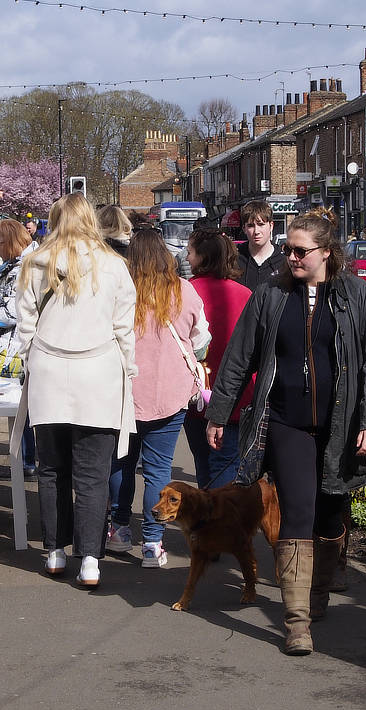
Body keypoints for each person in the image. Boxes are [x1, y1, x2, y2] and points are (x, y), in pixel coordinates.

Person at [205, 207, 366, 656]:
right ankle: (297, 622)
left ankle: (319, 592)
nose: (290, 257)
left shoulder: (356, 296)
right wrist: (219, 413)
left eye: (300, 251)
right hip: (287, 422)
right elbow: (239, 356)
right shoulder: (270, 294)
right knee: (297, 514)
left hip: (341, 426)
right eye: (287, 249)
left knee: (330, 516)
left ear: (327, 253)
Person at [15, 192, 138, 587]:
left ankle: (54, 551)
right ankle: (90, 559)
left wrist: (30, 360)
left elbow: (25, 325)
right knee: (93, 473)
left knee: (51, 469)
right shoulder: (115, 265)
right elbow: (124, 330)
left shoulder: (34, 263)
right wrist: (129, 374)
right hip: (99, 374)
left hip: (49, 372)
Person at [105, 229, 210, 566]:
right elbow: (201, 339)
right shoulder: (183, 291)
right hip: (169, 393)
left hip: (122, 391)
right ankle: (152, 543)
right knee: (158, 470)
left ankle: (120, 530)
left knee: (120, 463)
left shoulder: (118, 291)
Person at [182, 227, 253, 489]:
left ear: (203, 256)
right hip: (237, 394)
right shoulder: (245, 294)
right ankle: (218, 524)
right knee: (225, 466)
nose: (186, 258)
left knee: (204, 464)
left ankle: (210, 524)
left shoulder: (187, 291)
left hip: (197, 392)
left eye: (190, 252)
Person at [0, 219, 40, 477]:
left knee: (18, 411)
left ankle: (24, 463)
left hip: (14, 347)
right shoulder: (18, 265)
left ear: (10, 242)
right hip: (11, 345)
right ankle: (25, 461)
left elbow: (12, 312)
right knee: (21, 411)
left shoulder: (22, 270)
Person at [235, 200, 285, 291]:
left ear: (271, 226)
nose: (256, 231)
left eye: (261, 224)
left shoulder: (284, 261)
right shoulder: (234, 259)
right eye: (251, 226)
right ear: (244, 229)